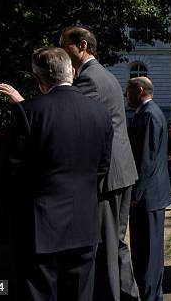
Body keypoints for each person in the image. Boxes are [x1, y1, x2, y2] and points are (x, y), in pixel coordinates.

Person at [0, 47, 113, 300]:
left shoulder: (28, 112)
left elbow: (10, 172)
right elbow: (103, 167)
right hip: (84, 222)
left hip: (40, 225)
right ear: (72, 71)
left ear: (39, 80)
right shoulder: (100, 113)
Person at [60, 26, 139, 301]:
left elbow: (66, 114)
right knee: (116, 243)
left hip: (109, 176)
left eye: (64, 46)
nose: (61, 52)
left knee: (107, 245)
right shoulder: (105, 75)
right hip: (122, 171)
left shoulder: (89, 80)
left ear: (82, 46)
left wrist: (27, 105)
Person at [125, 77, 170, 301]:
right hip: (149, 195)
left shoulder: (150, 115)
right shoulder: (149, 113)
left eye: (128, 91)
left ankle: (151, 296)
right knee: (144, 251)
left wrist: (136, 193)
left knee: (149, 253)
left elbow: (146, 158)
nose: (126, 95)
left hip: (148, 197)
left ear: (140, 90)